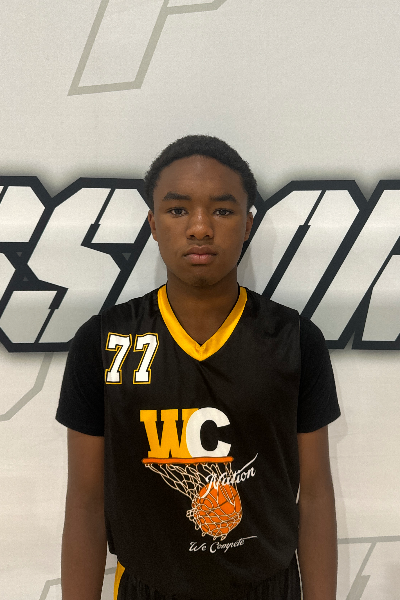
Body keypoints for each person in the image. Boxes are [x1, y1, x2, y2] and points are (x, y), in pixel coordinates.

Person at [56, 135, 340, 600]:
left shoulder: (295, 339)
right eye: (178, 209)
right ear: (153, 223)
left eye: (223, 210)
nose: (201, 228)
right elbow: (86, 502)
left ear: (247, 224)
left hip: (268, 587)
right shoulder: (104, 341)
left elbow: (314, 495)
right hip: (149, 587)